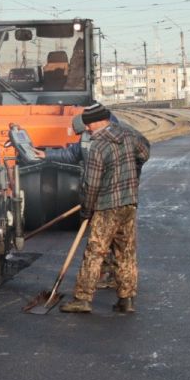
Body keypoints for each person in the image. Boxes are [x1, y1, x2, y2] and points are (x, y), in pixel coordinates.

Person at [63, 102, 151, 315]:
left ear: (98, 122)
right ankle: (126, 300)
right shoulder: (129, 135)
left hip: (106, 205)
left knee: (95, 252)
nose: (88, 129)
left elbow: (91, 184)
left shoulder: (98, 146)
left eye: (89, 125)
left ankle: (82, 299)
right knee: (126, 252)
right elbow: (144, 153)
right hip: (129, 203)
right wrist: (132, 173)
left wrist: (87, 210)